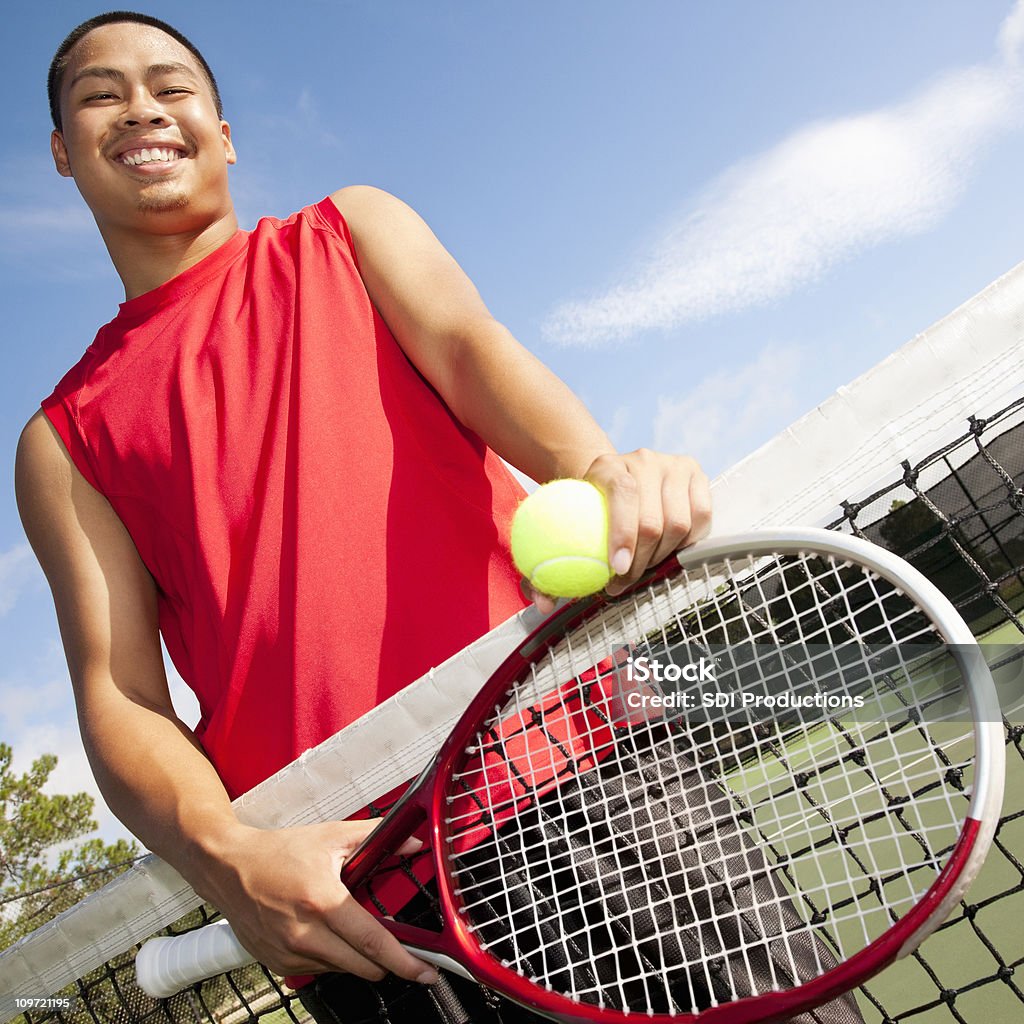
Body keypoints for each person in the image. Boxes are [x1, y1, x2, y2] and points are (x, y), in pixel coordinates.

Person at [15, 11, 713, 1024]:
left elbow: (476, 354)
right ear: (63, 153)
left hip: (588, 771)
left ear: (223, 128)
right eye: (100, 94)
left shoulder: (351, 228)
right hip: (358, 900)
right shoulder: (60, 438)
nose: (141, 109)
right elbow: (120, 694)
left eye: (171, 86)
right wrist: (229, 857)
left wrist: (602, 472)